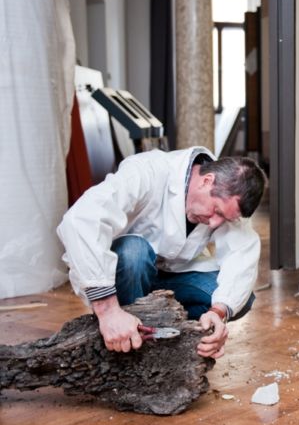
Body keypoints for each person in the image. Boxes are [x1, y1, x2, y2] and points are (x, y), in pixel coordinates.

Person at [57, 146, 266, 359]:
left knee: (236, 298)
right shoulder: (148, 170)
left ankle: (168, 338)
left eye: (225, 218)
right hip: (122, 278)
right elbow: (80, 220)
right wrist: (107, 310)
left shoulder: (227, 197)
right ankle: (125, 338)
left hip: (167, 278)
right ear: (207, 181)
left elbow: (242, 254)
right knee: (134, 252)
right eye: (217, 211)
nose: (215, 222)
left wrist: (217, 313)